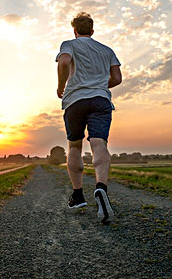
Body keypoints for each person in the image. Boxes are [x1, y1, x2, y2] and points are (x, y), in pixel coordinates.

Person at [55, 11, 122, 223]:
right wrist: (100, 85)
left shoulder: (69, 44)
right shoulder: (106, 50)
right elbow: (117, 78)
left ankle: (78, 195)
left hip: (75, 100)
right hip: (101, 100)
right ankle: (101, 187)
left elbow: (64, 63)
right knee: (99, 143)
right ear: (92, 31)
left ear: (75, 31)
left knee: (74, 146)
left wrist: (61, 86)